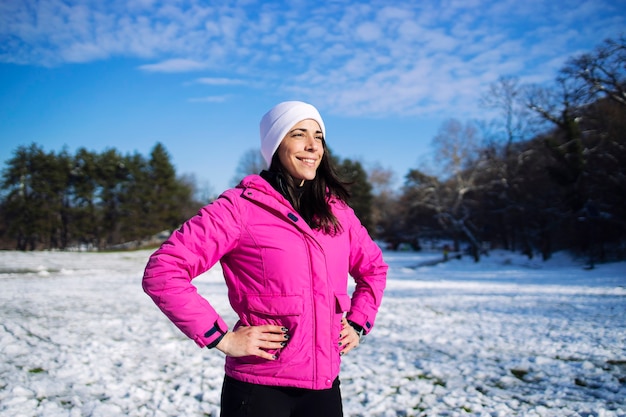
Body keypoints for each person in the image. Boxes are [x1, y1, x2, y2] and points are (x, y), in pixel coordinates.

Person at [142, 101, 388, 417]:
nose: (313, 146)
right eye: (299, 134)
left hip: (324, 389)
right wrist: (221, 338)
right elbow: (164, 270)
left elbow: (374, 268)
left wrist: (358, 321)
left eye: (319, 137)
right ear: (275, 145)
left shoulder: (337, 213)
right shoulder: (238, 209)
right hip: (259, 390)